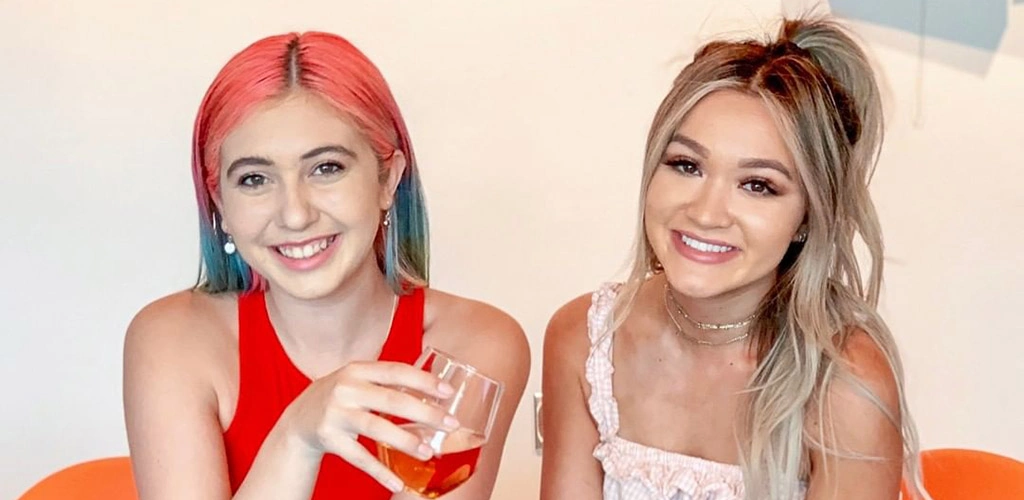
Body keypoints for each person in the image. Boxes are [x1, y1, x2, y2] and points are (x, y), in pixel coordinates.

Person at [123, 31, 529, 500]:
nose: (295, 214)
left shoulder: (477, 345)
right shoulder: (171, 340)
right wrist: (296, 438)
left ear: (387, 180)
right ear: (221, 204)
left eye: (326, 168)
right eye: (255, 179)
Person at [540, 16, 928, 500]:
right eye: (687, 165)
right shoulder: (583, 338)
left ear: (808, 216)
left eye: (758, 185)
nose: (705, 212)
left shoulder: (844, 384)